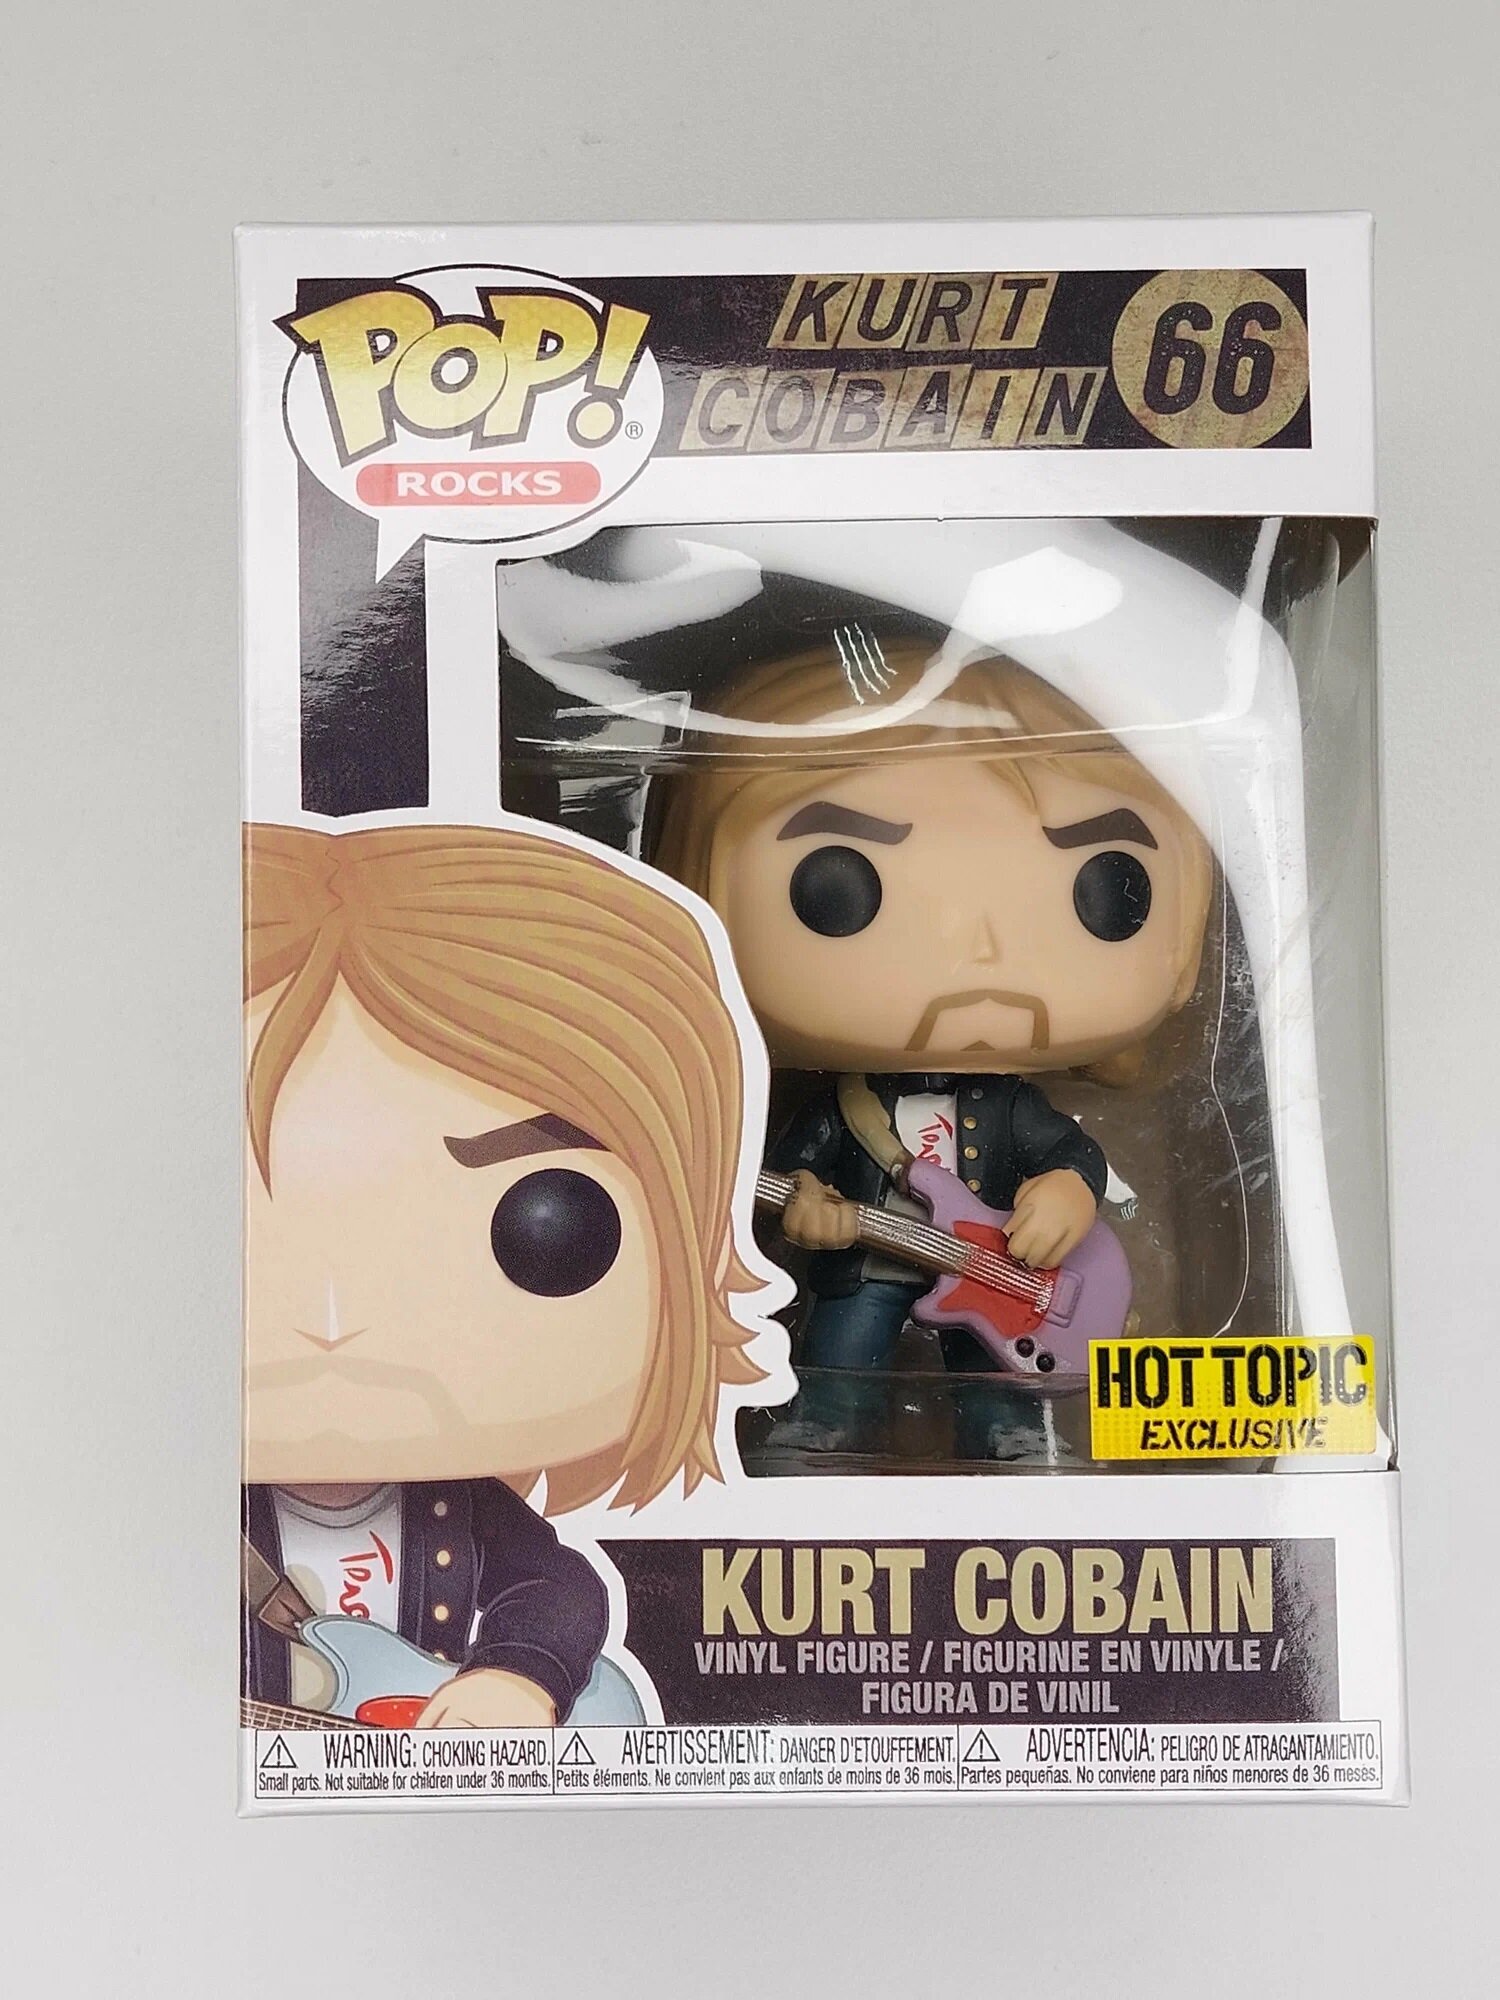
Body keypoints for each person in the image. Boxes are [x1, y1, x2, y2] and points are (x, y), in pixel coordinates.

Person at [243, 820, 774, 1723]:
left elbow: (559, 1587)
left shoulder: (461, 1507)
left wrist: (517, 1674)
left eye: (547, 1227)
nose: (334, 1321)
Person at [652, 638, 1213, 1460]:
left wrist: (1067, 1192)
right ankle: (826, 1435)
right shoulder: (843, 1107)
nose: (982, 953)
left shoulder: (1010, 1105)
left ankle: (1011, 1436)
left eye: (1107, 890)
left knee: (991, 1379)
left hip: (1002, 1276)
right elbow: (780, 1170)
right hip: (868, 1270)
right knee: (841, 1357)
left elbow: (1069, 1154)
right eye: (835, 887)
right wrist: (805, 1204)